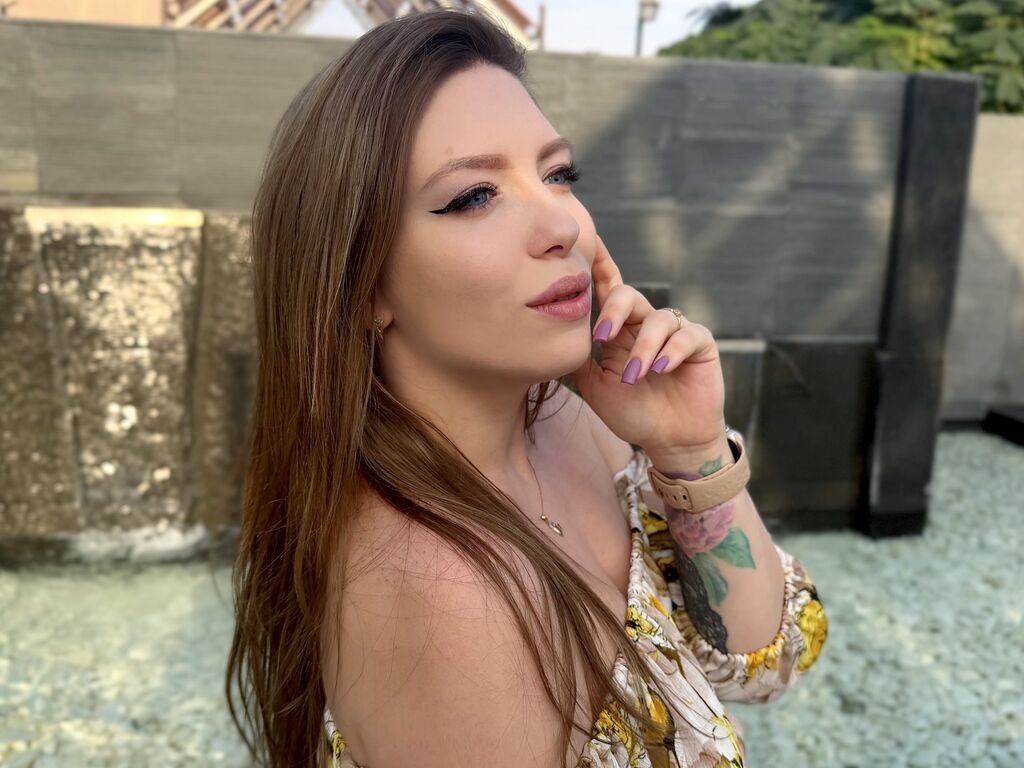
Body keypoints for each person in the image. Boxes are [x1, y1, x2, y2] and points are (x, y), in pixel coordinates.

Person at [225, 8, 828, 768]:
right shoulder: (443, 591)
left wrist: (690, 446)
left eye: (557, 174)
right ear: (362, 282)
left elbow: (768, 661)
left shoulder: (570, 419)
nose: (562, 226)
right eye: (475, 195)